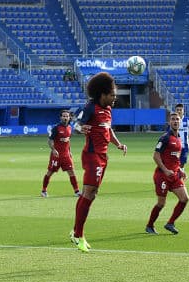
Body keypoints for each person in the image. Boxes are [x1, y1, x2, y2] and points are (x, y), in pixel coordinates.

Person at [70, 72, 127, 253]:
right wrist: (81, 128)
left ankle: (76, 232)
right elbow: (76, 125)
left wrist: (118, 144)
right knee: (89, 193)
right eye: (112, 95)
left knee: (91, 194)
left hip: (103, 157)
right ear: (102, 94)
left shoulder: (108, 110)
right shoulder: (90, 108)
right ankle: (79, 235)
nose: (114, 98)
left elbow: (107, 130)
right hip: (92, 155)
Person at [146, 110, 189, 235]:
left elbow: (175, 158)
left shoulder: (179, 138)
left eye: (177, 119)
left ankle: (170, 223)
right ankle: (149, 225)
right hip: (162, 175)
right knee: (161, 203)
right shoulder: (165, 138)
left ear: (180, 121)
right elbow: (155, 156)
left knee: (185, 198)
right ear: (169, 122)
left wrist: (181, 170)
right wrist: (165, 170)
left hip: (175, 175)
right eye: (173, 119)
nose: (175, 121)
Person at [41, 110, 80, 198]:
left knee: (72, 172)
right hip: (56, 156)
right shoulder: (56, 128)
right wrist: (53, 149)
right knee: (50, 172)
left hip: (66, 155)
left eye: (67, 116)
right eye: (63, 116)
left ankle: (77, 191)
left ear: (69, 117)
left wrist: (69, 151)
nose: (65, 118)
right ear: (60, 117)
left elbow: (68, 141)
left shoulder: (70, 128)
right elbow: (50, 140)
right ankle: (44, 190)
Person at [174, 103, 189, 168]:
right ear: (175, 111)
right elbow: (167, 132)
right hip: (175, 146)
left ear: (183, 111)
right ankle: (178, 176)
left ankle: (180, 176)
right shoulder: (173, 120)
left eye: (180, 110)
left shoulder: (187, 120)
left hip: (185, 146)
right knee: (175, 163)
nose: (179, 111)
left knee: (182, 163)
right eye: (177, 110)